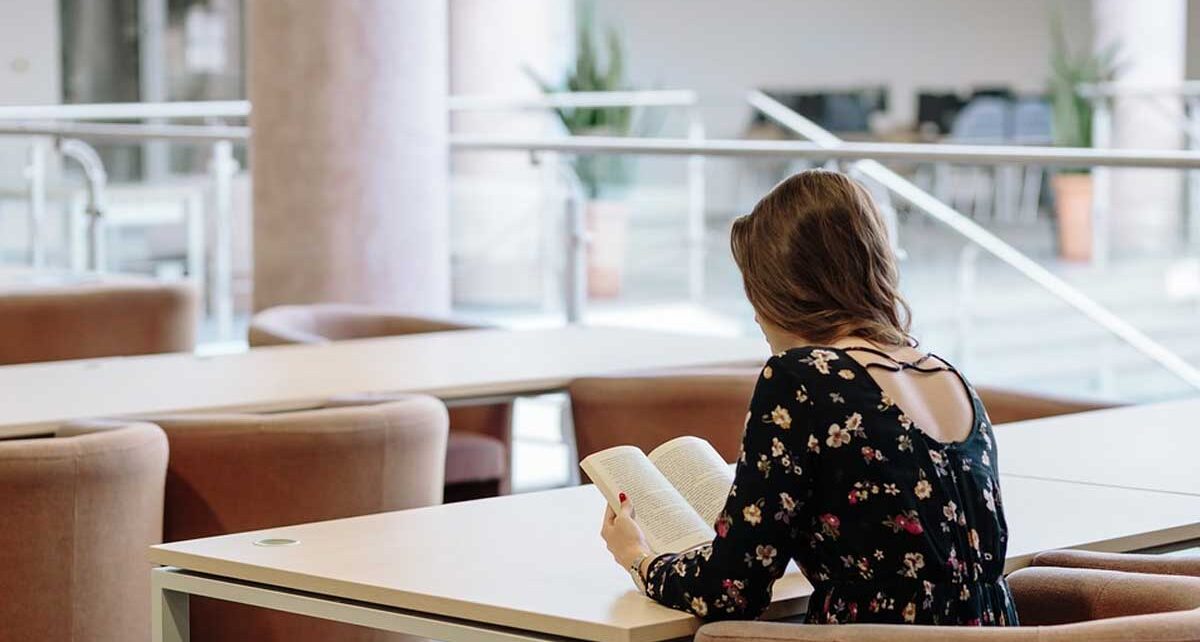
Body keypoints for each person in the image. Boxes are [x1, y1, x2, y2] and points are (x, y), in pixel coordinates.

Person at [600, 170, 1017, 627]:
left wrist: (639, 558)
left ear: (785, 287)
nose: (756, 317)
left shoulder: (801, 377)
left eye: (754, 290)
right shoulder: (949, 376)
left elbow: (731, 590)